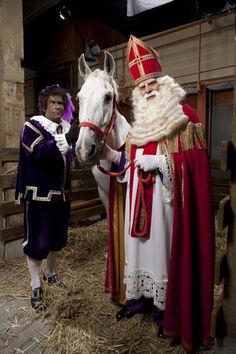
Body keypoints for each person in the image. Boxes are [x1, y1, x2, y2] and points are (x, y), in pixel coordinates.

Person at [101, 35, 215, 353]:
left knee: (164, 255)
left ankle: (169, 312)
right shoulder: (138, 125)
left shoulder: (185, 116)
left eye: (152, 83)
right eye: (142, 86)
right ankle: (142, 301)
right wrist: (112, 157)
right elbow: (128, 161)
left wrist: (162, 161)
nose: (148, 90)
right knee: (139, 253)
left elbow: (196, 164)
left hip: (167, 204)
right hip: (139, 205)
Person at [15, 84, 79, 310]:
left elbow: (75, 156)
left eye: (61, 103)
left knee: (57, 239)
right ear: (44, 105)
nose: (57, 106)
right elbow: (40, 152)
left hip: (62, 196)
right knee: (37, 243)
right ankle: (35, 284)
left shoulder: (67, 127)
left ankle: (50, 272)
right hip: (39, 196)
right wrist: (67, 139)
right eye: (52, 102)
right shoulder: (32, 126)